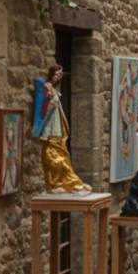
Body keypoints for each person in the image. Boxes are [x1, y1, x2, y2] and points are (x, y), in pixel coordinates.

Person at [33, 63, 91, 193]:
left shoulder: (53, 89)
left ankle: (70, 181)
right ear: (51, 74)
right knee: (53, 153)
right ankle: (57, 183)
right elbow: (43, 107)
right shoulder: (46, 87)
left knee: (63, 152)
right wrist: (50, 105)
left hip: (56, 123)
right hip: (50, 125)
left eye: (59, 75)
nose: (57, 77)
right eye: (56, 74)